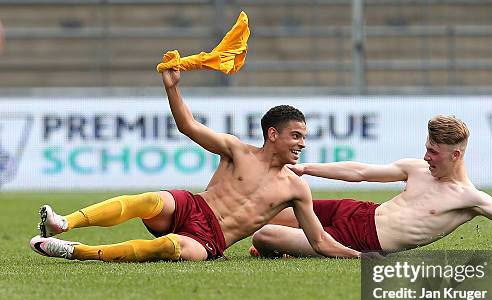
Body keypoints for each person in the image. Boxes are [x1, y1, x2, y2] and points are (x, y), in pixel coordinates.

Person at [29, 69, 359, 261]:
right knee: (150, 200)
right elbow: (188, 126)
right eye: (296, 136)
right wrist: (172, 87)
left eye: (304, 137)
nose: (302, 144)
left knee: (169, 247)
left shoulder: (296, 187)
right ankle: (63, 223)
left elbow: (318, 240)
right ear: (273, 134)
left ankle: (76, 251)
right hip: (193, 207)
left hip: (211, 240)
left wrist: (360, 256)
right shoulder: (236, 150)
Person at [251, 115, 492, 257]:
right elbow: (361, 172)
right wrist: (309, 169)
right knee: (270, 211)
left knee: (264, 236)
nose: (426, 156)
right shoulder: (417, 168)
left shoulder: (469, 198)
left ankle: (276, 249)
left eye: (433, 152)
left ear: (456, 155)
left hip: (361, 242)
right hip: (357, 211)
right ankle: (213, 239)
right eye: (426, 147)